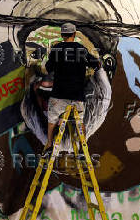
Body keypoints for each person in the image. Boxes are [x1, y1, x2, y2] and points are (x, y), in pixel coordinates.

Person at [43, 22, 100, 153]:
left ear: (62, 34)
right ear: (74, 34)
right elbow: (96, 64)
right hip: (77, 96)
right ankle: (82, 148)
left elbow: (48, 68)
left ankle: (49, 144)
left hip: (59, 95)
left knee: (52, 119)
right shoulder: (81, 49)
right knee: (80, 122)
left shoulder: (56, 49)